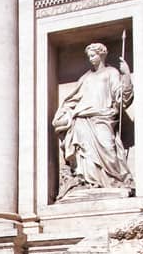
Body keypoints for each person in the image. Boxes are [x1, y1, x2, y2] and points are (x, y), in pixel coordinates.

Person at [52, 43, 134, 196]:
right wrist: (65, 113)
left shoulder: (112, 72)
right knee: (85, 154)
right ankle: (89, 182)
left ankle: (113, 181)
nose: (91, 59)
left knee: (108, 148)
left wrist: (127, 74)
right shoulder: (85, 77)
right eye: (89, 56)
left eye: (93, 55)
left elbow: (121, 96)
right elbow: (73, 99)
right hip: (82, 119)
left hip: (103, 117)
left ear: (102, 54)